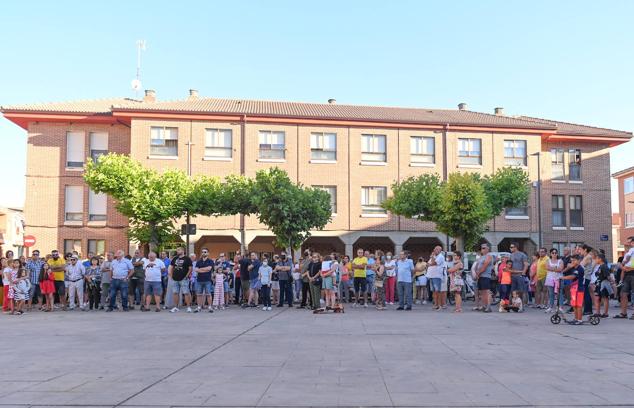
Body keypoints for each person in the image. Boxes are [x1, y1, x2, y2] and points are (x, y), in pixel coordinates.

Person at [561, 254, 585, 325]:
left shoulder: (580, 269)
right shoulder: (574, 268)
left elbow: (573, 276)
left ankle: (579, 320)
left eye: (574, 260)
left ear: (579, 261)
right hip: (574, 289)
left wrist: (563, 278)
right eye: (572, 261)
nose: (572, 262)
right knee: (574, 305)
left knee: (578, 305)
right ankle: (576, 318)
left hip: (579, 289)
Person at [615, 236, 634, 319]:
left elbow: (625, 264)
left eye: (629, 242)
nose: (627, 243)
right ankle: (623, 313)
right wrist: (623, 268)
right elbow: (624, 264)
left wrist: (623, 267)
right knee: (623, 294)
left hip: (632, 274)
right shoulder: (628, 252)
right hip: (627, 274)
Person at [169, 247, 193, 313]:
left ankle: (188, 307)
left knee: (186, 293)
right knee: (175, 293)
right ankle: (176, 307)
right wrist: (171, 276)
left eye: (178, 250)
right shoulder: (175, 258)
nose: (177, 251)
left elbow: (190, 268)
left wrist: (186, 276)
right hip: (175, 279)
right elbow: (171, 267)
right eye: (177, 250)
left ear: (183, 251)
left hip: (183, 279)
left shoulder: (187, 259)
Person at [475, 244, 493, 313]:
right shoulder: (481, 257)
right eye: (481, 248)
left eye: (484, 248)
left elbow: (484, 266)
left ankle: (488, 306)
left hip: (486, 276)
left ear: (488, 249)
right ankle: (484, 305)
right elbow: (477, 265)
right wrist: (476, 273)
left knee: (487, 291)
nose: (482, 249)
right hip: (480, 276)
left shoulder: (489, 256)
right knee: (482, 292)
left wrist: (478, 273)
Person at [194, 248, 214, 313]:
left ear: (208, 253)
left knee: (208, 294)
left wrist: (200, 269)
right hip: (199, 280)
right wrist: (204, 270)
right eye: (202, 252)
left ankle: (210, 307)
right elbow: (196, 269)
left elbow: (209, 269)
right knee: (199, 294)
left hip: (207, 280)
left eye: (205, 252)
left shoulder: (210, 261)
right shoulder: (198, 261)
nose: (203, 253)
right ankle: (199, 307)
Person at [592, 252, 611, 318]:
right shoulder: (600, 266)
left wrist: (611, 283)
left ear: (600, 259)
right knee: (597, 298)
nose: (595, 260)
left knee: (605, 298)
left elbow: (608, 276)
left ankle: (605, 313)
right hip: (598, 284)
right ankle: (598, 312)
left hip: (604, 284)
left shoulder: (604, 266)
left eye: (596, 259)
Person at [427, 245, 446, 310]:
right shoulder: (434, 256)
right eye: (434, 249)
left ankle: (440, 305)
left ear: (440, 250)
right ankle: (436, 304)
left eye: (436, 249)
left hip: (437, 276)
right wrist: (432, 258)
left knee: (438, 291)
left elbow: (433, 263)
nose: (435, 250)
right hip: (431, 276)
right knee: (434, 291)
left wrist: (432, 257)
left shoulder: (441, 256)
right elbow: (428, 264)